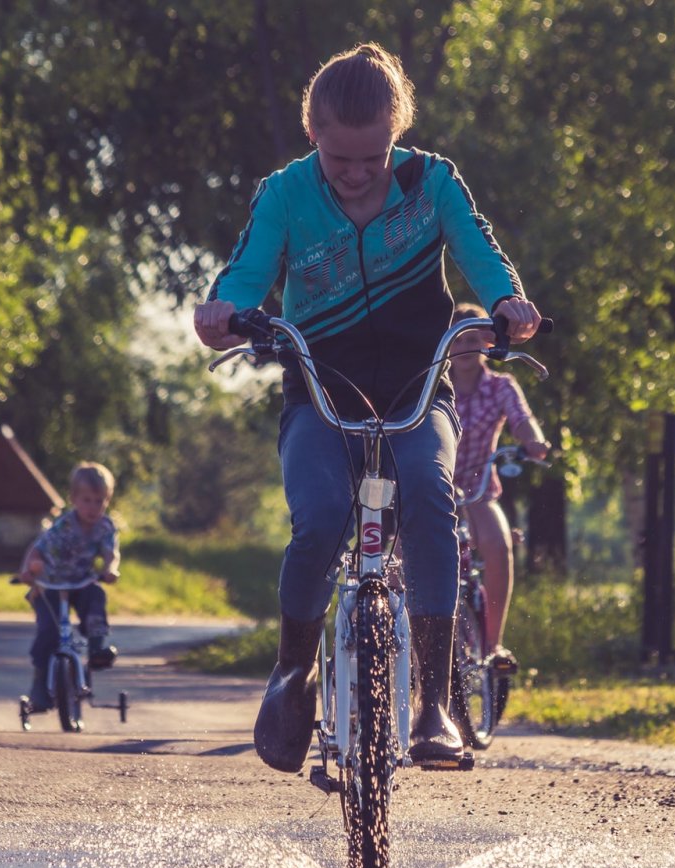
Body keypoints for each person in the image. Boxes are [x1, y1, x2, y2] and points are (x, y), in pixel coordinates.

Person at [193, 43, 543, 772]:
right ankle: (293, 674)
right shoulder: (287, 192)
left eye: (373, 158)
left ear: (398, 133)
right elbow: (251, 267)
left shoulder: (433, 182)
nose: (355, 175)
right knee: (319, 517)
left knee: (430, 495)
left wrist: (506, 298)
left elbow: (479, 250)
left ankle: (437, 703)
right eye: (339, 159)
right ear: (311, 132)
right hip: (319, 392)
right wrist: (226, 309)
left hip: (418, 392)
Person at [448, 302, 551, 670]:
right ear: (445, 345)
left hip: (477, 488)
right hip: (435, 487)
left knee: (497, 543)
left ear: (489, 344)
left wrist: (534, 443)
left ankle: (492, 647)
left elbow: (523, 420)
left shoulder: (501, 386)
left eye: (473, 340)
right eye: (458, 340)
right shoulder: (434, 386)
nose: (464, 348)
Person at [18, 461, 121, 711]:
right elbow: (38, 548)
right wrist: (30, 567)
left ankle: (97, 649)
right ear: (74, 498)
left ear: (107, 500)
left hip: (82, 581)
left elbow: (111, 552)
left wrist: (110, 569)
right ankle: (40, 688)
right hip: (49, 585)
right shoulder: (63, 525)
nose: (93, 507)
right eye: (86, 500)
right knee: (48, 633)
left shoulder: (105, 526)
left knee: (96, 596)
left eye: (99, 501)